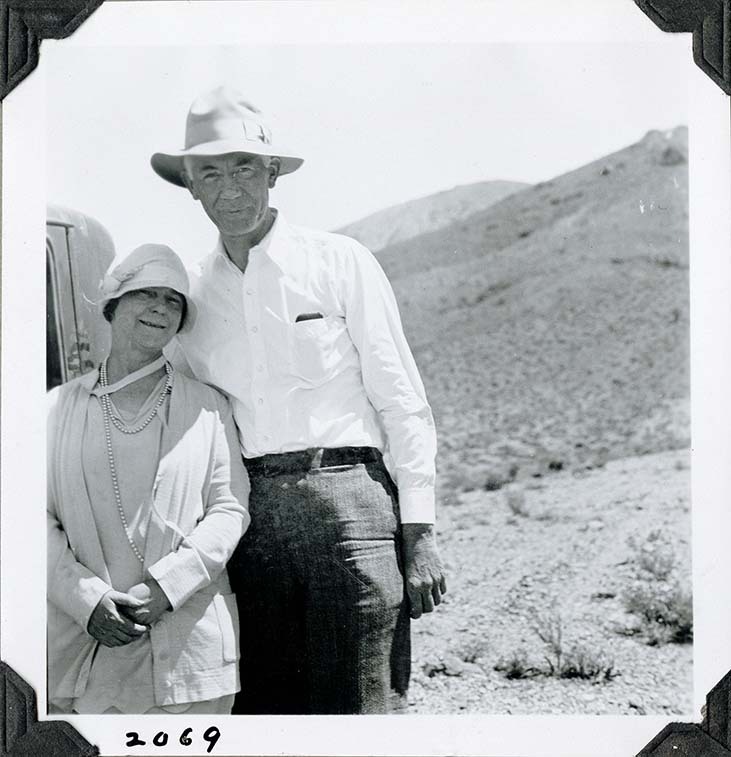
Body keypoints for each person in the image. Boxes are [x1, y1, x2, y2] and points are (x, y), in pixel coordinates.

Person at [152, 86, 446, 714]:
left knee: (361, 706)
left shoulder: (340, 262)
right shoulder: (190, 296)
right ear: (191, 187)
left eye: (245, 168)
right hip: (247, 519)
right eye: (210, 172)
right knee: (265, 709)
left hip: (351, 507)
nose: (230, 188)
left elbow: (402, 401)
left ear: (273, 175)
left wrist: (419, 533)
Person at [47, 244, 250, 714]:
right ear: (113, 306)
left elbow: (230, 508)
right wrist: (87, 600)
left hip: (189, 654)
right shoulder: (53, 411)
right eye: (146, 294)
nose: (160, 307)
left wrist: (167, 587)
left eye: (173, 300)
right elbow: (28, 522)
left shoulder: (208, 406)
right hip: (85, 648)